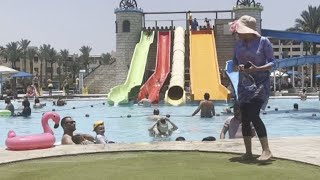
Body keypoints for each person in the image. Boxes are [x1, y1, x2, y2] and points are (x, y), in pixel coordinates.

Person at [230, 15, 273, 161]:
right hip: (244, 85)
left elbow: (273, 63)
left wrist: (257, 68)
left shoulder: (263, 42)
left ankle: (266, 150)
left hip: (260, 84)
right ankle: (248, 152)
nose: (238, 33)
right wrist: (239, 67)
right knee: (246, 118)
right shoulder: (238, 45)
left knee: (254, 114)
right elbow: (233, 64)